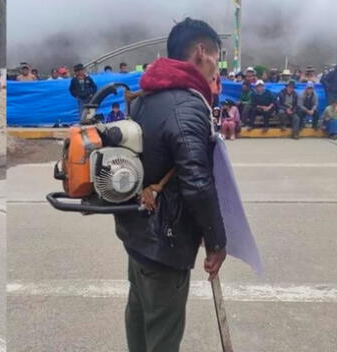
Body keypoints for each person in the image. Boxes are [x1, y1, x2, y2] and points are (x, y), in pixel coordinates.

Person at [115, 18, 227, 352]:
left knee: (139, 316)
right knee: (163, 333)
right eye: (216, 59)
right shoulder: (188, 104)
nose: (216, 70)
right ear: (201, 52)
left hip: (137, 233)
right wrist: (216, 240)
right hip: (165, 244)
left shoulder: (147, 96)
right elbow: (196, 181)